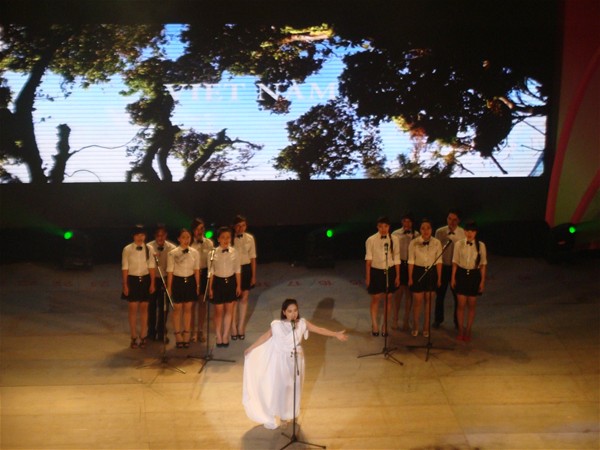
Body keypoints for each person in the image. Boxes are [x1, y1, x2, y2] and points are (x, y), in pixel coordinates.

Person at [243, 298, 348, 430]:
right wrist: (251, 348)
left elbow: (319, 330)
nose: (293, 314)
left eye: (295, 310)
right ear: (284, 312)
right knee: (283, 388)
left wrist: (335, 334)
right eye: (290, 311)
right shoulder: (276, 325)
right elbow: (265, 337)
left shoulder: (302, 323)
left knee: (295, 387)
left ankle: (292, 413)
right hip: (281, 362)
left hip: (296, 360)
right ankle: (283, 416)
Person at [451, 221, 487, 342]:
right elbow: (455, 262)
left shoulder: (481, 245)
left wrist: (482, 282)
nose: (470, 233)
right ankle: (461, 329)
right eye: (467, 231)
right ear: (464, 232)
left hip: (474, 275)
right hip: (461, 275)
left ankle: (468, 329)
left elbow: (483, 265)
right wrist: (453, 278)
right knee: (460, 304)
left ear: (476, 232)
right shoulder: (459, 244)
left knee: (471, 304)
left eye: (472, 231)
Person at [121, 225, 156, 349]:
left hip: (145, 279)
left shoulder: (149, 248)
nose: (140, 237)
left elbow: (151, 266)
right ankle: (133, 336)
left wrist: (152, 283)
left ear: (145, 236)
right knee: (133, 309)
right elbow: (125, 267)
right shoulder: (127, 249)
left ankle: (143, 335)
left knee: (144, 309)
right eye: (137, 235)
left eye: (142, 235)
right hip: (132, 280)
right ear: (133, 236)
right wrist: (125, 284)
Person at [365, 216, 400, 337]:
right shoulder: (371, 240)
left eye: (385, 226)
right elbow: (368, 260)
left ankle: (385, 324)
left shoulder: (394, 239)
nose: (383, 229)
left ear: (389, 227)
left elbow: (396, 258)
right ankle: (374, 324)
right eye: (380, 226)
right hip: (376, 271)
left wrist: (397, 276)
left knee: (388, 298)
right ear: (377, 227)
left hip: (390, 271)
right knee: (375, 298)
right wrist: (368, 277)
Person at [408, 219, 442, 337]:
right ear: (420, 230)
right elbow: (411, 261)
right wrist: (410, 277)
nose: (426, 231)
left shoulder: (437, 242)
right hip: (418, 272)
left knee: (429, 302)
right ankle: (415, 326)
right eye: (423, 228)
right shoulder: (414, 243)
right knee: (417, 301)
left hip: (431, 272)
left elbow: (439, 261)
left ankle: (426, 327)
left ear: (432, 229)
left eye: (428, 228)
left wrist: (439, 278)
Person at [166, 229, 200, 349]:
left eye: (188, 237)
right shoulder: (173, 253)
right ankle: (178, 335)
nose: (186, 240)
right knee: (177, 309)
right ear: (179, 239)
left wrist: (197, 285)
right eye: (184, 237)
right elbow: (170, 271)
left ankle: (186, 334)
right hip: (177, 281)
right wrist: (169, 287)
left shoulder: (195, 252)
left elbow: (196, 270)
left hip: (190, 281)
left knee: (188, 309)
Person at [208, 226, 241, 348]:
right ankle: (218, 335)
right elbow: (211, 272)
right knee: (218, 311)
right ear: (218, 239)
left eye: (228, 237)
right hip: (218, 283)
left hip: (231, 282)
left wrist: (238, 286)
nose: (226, 240)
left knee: (229, 310)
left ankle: (226, 335)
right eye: (223, 237)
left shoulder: (234, 252)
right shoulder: (212, 253)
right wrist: (210, 288)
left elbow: (237, 270)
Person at [433, 209, 465, 329]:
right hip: (442, 266)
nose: (451, 222)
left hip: (456, 268)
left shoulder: (463, 233)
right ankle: (438, 319)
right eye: (449, 219)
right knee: (440, 295)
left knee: (457, 296)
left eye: (454, 219)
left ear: (458, 221)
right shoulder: (440, 232)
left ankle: (457, 321)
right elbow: (436, 250)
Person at [146, 224, 176, 342]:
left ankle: (161, 332)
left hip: (165, 278)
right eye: (158, 235)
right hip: (152, 279)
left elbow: (171, 267)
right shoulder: (149, 247)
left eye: (162, 235)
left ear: (166, 235)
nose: (160, 237)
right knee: (151, 307)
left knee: (164, 307)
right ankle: (151, 332)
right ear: (155, 236)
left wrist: (169, 285)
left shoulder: (172, 248)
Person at [391, 213, 420, 330]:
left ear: (412, 223)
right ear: (401, 222)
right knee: (398, 294)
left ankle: (406, 320)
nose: (406, 223)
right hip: (400, 264)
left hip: (412, 265)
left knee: (409, 294)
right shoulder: (395, 234)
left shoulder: (417, 235)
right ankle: (395, 319)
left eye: (409, 221)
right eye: (404, 221)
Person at [231, 215, 257, 341]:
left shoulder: (250, 238)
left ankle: (241, 326)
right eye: (238, 226)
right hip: (233, 270)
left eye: (243, 225)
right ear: (234, 226)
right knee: (233, 299)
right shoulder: (230, 238)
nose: (241, 228)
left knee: (244, 298)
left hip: (246, 269)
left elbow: (253, 258)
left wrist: (253, 276)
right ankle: (233, 327)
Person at [190, 218, 214, 343]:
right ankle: (192, 331)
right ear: (193, 230)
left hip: (204, 274)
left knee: (202, 303)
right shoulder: (189, 243)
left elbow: (211, 262)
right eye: (198, 229)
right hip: (192, 275)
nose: (200, 231)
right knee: (191, 305)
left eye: (202, 228)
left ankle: (200, 330)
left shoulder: (209, 243)